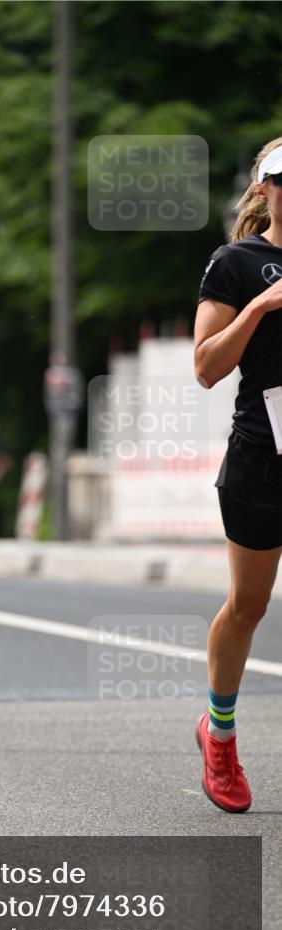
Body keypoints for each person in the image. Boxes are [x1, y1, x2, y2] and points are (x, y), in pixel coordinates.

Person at [193, 137, 282, 812]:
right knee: (248, 606)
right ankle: (218, 734)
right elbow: (205, 367)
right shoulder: (237, 264)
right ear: (262, 193)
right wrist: (258, 308)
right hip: (262, 460)